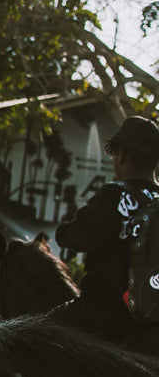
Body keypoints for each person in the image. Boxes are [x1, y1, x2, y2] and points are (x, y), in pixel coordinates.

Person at [53, 115, 159, 339]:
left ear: (122, 155)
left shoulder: (113, 196)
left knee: (37, 335)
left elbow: (73, 236)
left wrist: (65, 229)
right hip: (152, 315)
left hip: (102, 313)